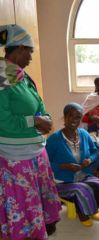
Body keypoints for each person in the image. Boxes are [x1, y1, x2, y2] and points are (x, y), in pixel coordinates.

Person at [0, 24, 61, 239]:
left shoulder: (22, 77)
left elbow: (39, 108)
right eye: (30, 51)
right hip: (16, 159)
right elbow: (3, 121)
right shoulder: (2, 77)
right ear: (18, 50)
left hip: (35, 153)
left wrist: (45, 119)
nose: (31, 57)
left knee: (38, 207)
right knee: (24, 209)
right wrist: (33, 121)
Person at [46, 103, 99, 227]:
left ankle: (92, 209)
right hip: (61, 180)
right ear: (65, 117)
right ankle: (82, 213)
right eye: (71, 116)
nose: (74, 120)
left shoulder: (83, 134)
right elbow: (45, 163)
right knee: (82, 189)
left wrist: (89, 160)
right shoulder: (54, 139)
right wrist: (63, 166)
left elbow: (95, 152)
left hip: (83, 174)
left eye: (78, 117)